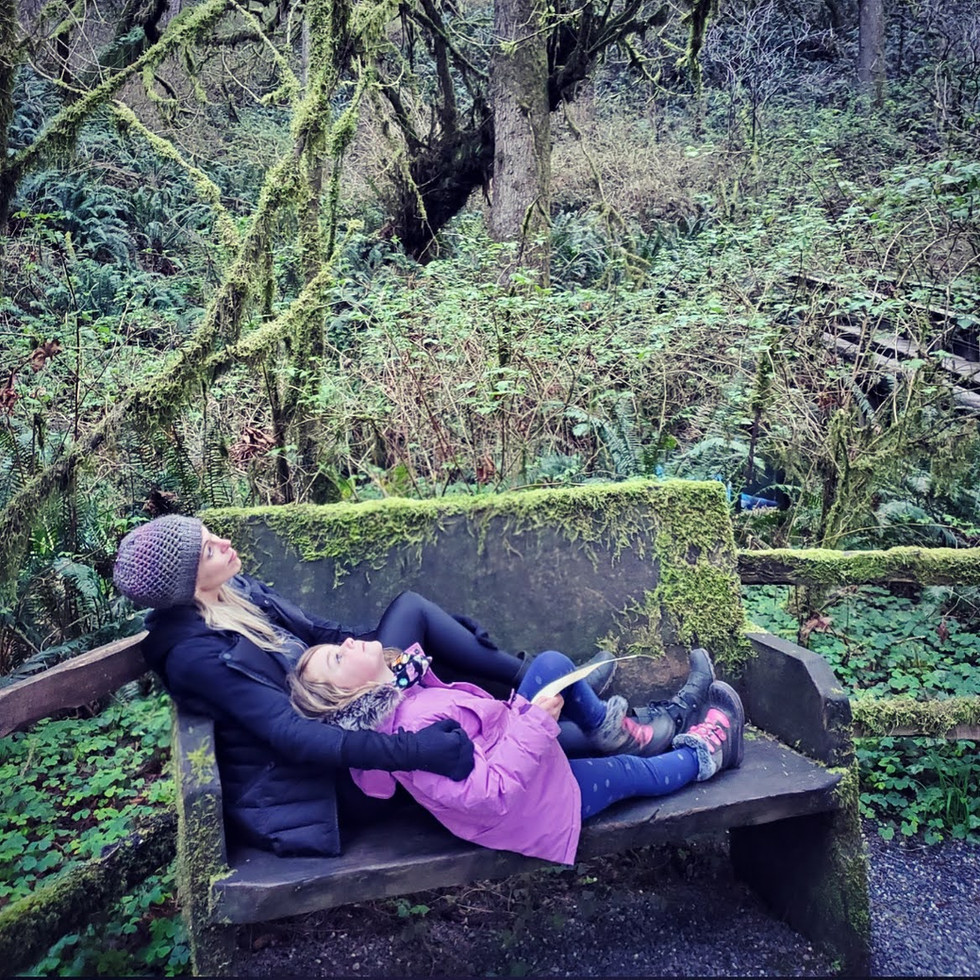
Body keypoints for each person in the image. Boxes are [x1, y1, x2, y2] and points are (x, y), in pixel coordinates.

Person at [112, 513, 715, 857]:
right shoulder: (196, 653)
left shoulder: (232, 591)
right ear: (186, 584)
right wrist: (413, 749)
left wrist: (432, 641)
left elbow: (323, 632)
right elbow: (293, 737)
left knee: (415, 611)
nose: (221, 541)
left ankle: (568, 696)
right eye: (206, 550)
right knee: (527, 737)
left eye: (208, 533)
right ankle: (605, 714)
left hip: (354, 703)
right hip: (338, 770)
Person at [289, 640, 745, 864]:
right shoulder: (412, 737)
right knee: (628, 772)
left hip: (513, 746)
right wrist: (536, 722)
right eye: (337, 658)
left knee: (551, 665)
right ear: (347, 697)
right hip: (529, 805)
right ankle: (705, 754)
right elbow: (490, 794)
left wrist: (527, 721)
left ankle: (617, 730)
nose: (347, 644)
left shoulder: (402, 692)